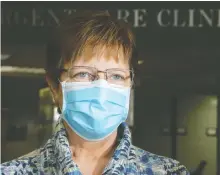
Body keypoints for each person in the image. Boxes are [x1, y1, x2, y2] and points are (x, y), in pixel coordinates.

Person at [1, 11, 189, 175]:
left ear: (130, 84)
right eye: (83, 74)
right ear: (54, 86)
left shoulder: (168, 172)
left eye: (116, 76)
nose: (101, 89)